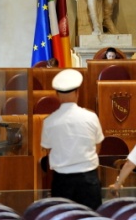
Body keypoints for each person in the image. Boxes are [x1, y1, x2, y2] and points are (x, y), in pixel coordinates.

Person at [41, 69, 104, 209]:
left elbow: (48, 148)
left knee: (64, 216)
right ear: (77, 93)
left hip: (61, 180)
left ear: (57, 95)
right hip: (88, 179)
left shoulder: (49, 121)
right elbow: (98, 144)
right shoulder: (91, 117)